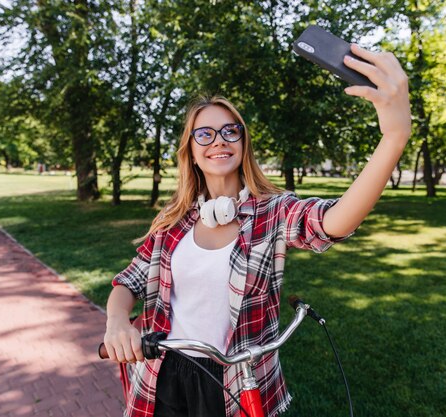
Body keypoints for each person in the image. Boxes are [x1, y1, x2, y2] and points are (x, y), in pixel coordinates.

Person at [104, 43, 412, 417]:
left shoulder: (273, 212)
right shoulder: (175, 220)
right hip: (162, 376)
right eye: (204, 134)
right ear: (191, 150)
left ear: (243, 142)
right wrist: (117, 322)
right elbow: (128, 282)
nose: (218, 140)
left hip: (236, 381)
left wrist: (393, 137)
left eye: (229, 131)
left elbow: (334, 221)